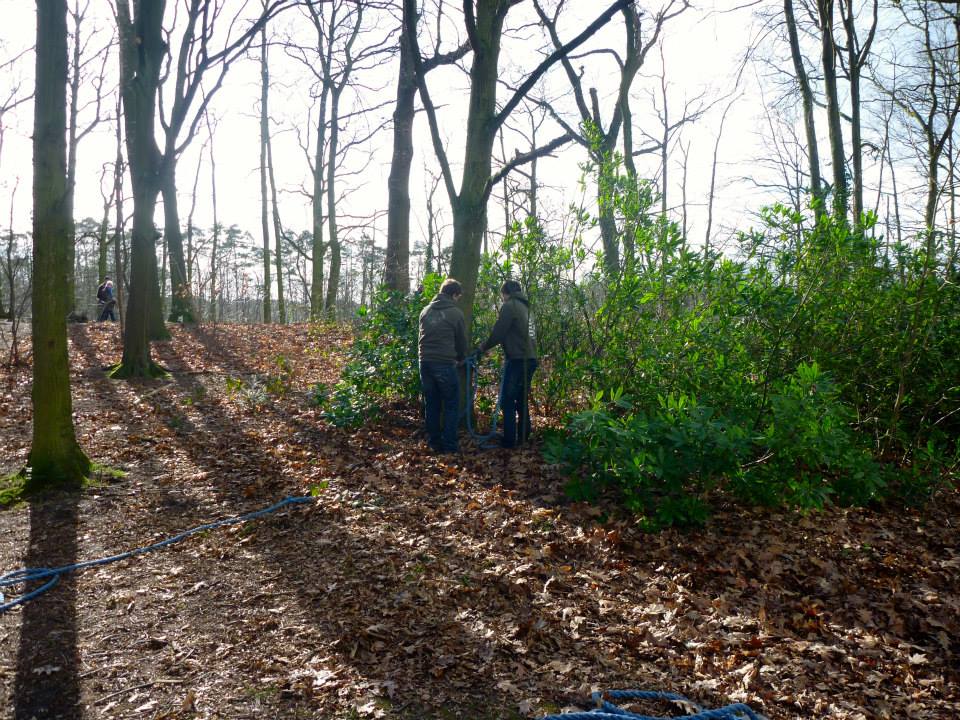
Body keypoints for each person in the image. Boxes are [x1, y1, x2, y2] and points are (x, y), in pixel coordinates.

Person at [476, 279, 538, 449]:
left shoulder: (510, 306)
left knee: (507, 400)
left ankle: (509, 441)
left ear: (505, 293)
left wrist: (482, 347)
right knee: (521, 399)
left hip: (518, 360)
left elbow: (499, 332)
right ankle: (524, 436)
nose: (502, 299)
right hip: (531, 359)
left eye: (502, 296)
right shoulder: (526, 307)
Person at [418, 278, 467, 454]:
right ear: (454, 294)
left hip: (424, 362)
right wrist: (462, 358)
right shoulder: (456, 313)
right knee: (452, 405)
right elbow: (461, 341)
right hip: (445, 364)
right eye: (458, 297)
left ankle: (433, 442)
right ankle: (450, 446)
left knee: (432, 404)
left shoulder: (425, 311)